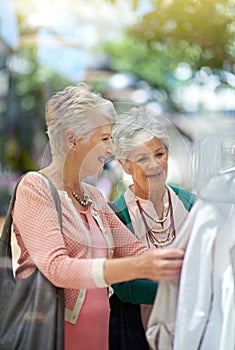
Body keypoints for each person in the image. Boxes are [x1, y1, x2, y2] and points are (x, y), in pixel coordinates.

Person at [11, 84, 185, 350]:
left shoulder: (94, 198)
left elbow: (137, 251)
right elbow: (59, 268)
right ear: (72, 140)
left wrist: (190, 262)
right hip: (54, 336)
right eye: (105, 138)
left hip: (97, 337)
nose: (112, 149)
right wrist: (141, 267)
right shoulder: (34, 187)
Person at [109, 106, 196, 349]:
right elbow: (123, 286)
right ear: (125, 165)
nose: (154, 165)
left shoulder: (193, 205)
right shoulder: (115, 214)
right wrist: (183, 291)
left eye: (159, 154)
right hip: (136, 332)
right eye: (142, 158)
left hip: (191, 330)